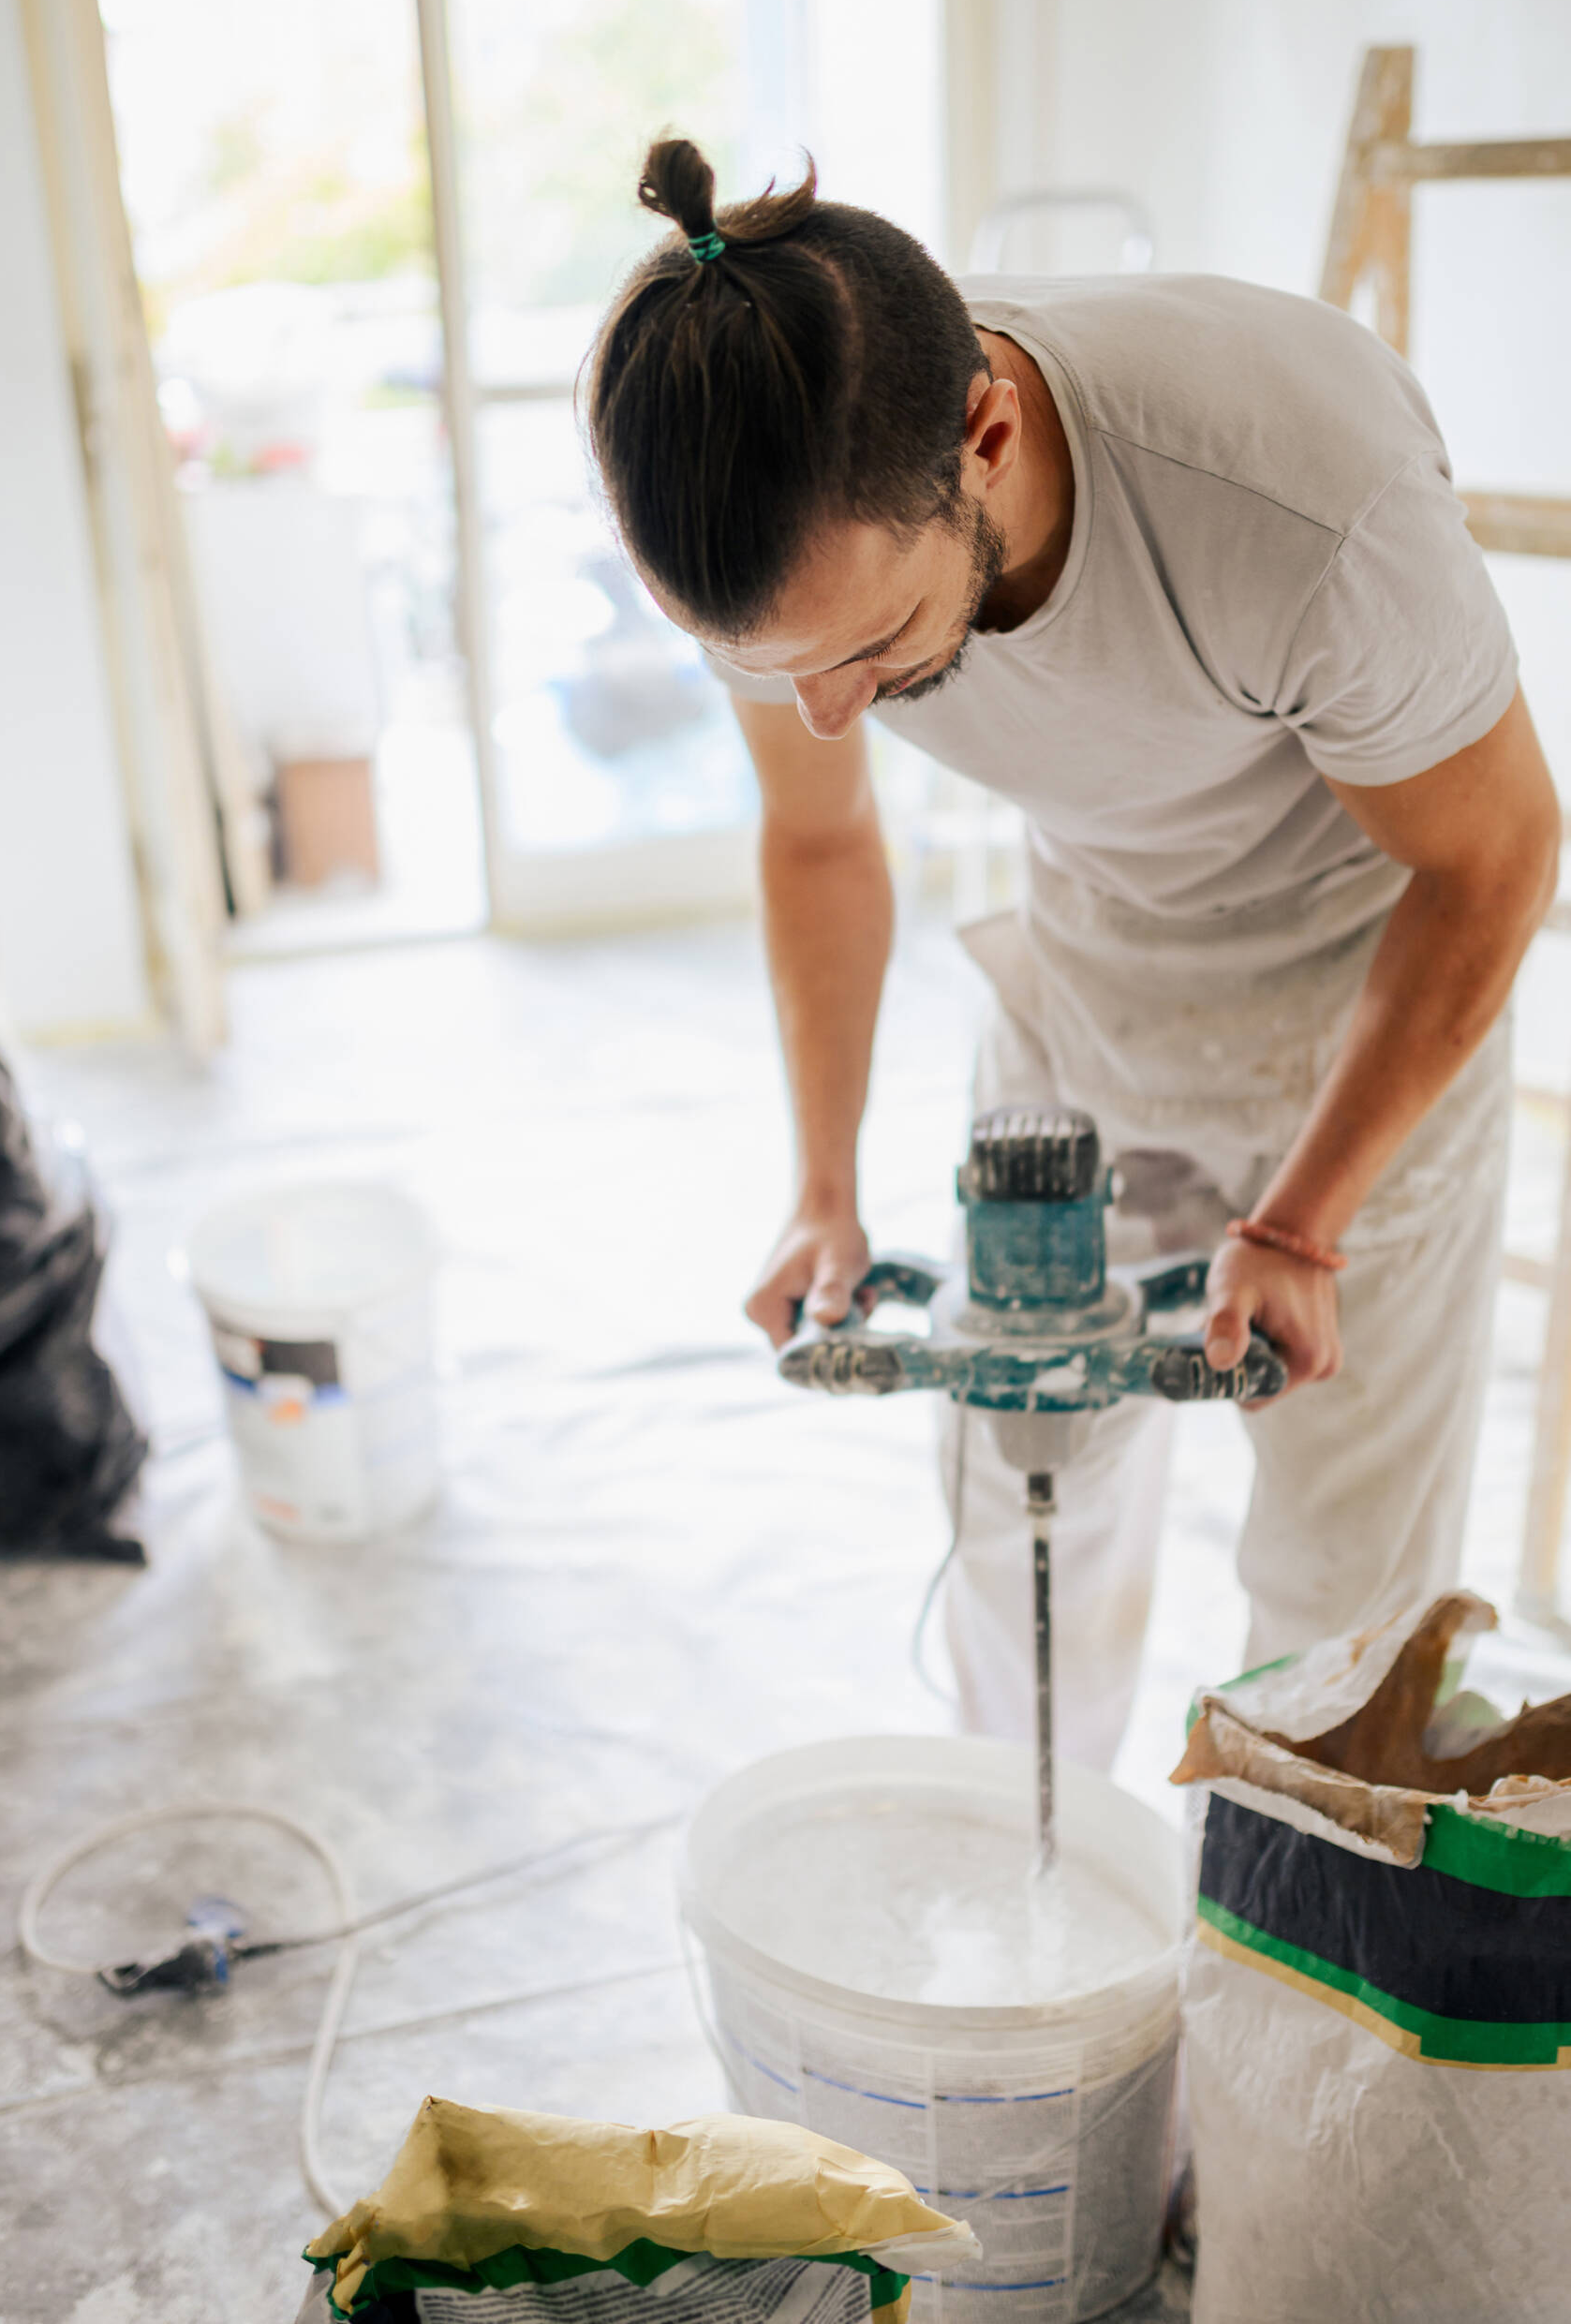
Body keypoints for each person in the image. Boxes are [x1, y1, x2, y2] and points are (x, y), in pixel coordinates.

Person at [584, 140, 1561, 1767]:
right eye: (771, 671)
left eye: (874, 652)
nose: (823, 711)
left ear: (986, 435)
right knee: (1023, 1510)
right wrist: (823, 1184)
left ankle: (1263, 1991)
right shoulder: (772, 507)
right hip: (1088, 975)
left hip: (1360, 998)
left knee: (1338, 1607)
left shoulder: (1305, 497)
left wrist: (1305, 1225)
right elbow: (822, 839)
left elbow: (1497, 861)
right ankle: (1030, 1905)